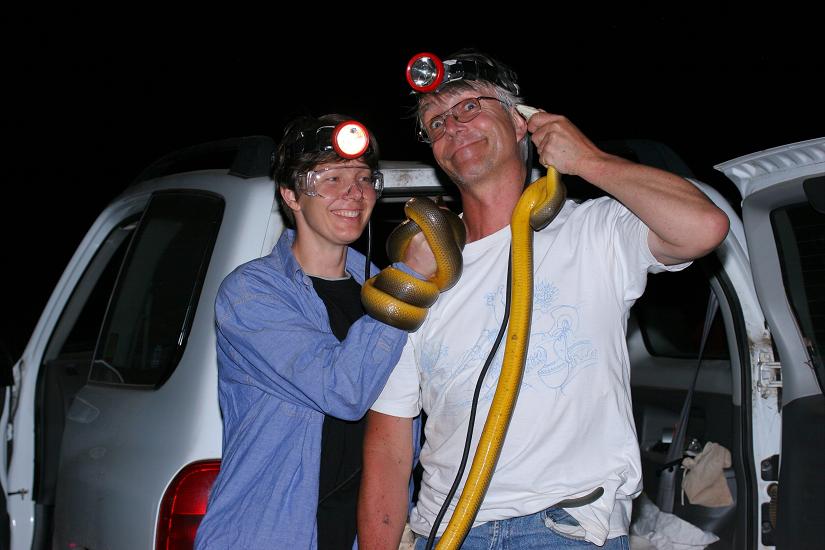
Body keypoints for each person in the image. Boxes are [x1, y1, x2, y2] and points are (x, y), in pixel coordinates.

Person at [358, 50, 730, 549]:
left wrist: (588, 160)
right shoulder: (422, 271)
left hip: (565, 529)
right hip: (446, 532)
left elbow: (705, 227)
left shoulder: (594, 230)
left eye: (470, 106)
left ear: (520, 122)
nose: (453, 127)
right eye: (437, 122)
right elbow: (388, 443)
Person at [195, 114, 414, 549]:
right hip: (272, 535)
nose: (353, 193)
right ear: (291, 195)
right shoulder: (251, 293)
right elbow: (343, 390)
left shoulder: (380, 288)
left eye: (363, 178)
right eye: (331, 178)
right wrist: (409, 280)